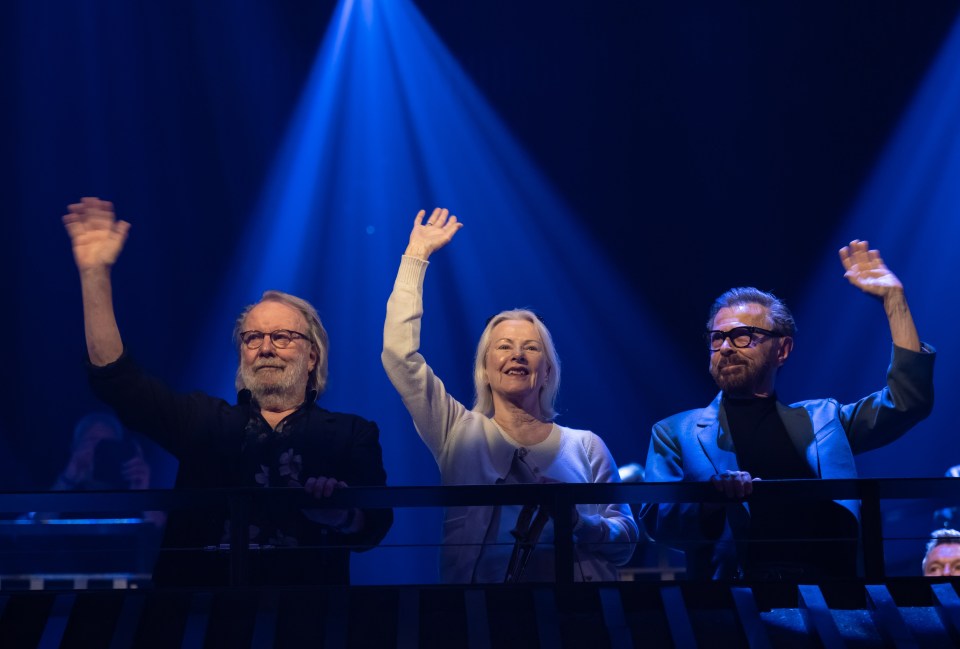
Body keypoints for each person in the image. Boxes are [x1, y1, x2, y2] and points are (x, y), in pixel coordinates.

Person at [63, 196, 392, 586]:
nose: (265, 347)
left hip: (306, 622)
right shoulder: (204, 421)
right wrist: (94, 274)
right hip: (201, 622)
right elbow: (117, 381)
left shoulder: (352, 434)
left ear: (312, 356)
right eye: (252, 338)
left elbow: (376, 524)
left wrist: (340, 514)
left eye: (282, 337)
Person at [642, 240, 935, 580]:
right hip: (735, 605)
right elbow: (658, 522)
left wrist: (894, 301)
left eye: (742, 336)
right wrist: (711, 500)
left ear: (782, 350)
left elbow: (907, 401)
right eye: (717, 337)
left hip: (834, 600)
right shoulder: (676, 431)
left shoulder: (824, 419)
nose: (724, 348)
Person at [381, 207, 639, 583]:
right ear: (485, 368)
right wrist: (415, 258)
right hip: (482, 619)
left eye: (531, 348)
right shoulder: (456, 430)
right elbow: (398, 357)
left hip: (576, 620)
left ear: (547, 370)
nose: (517, 354)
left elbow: (626, 543)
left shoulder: (586, 446)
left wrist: (580, 523)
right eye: (503, 346)